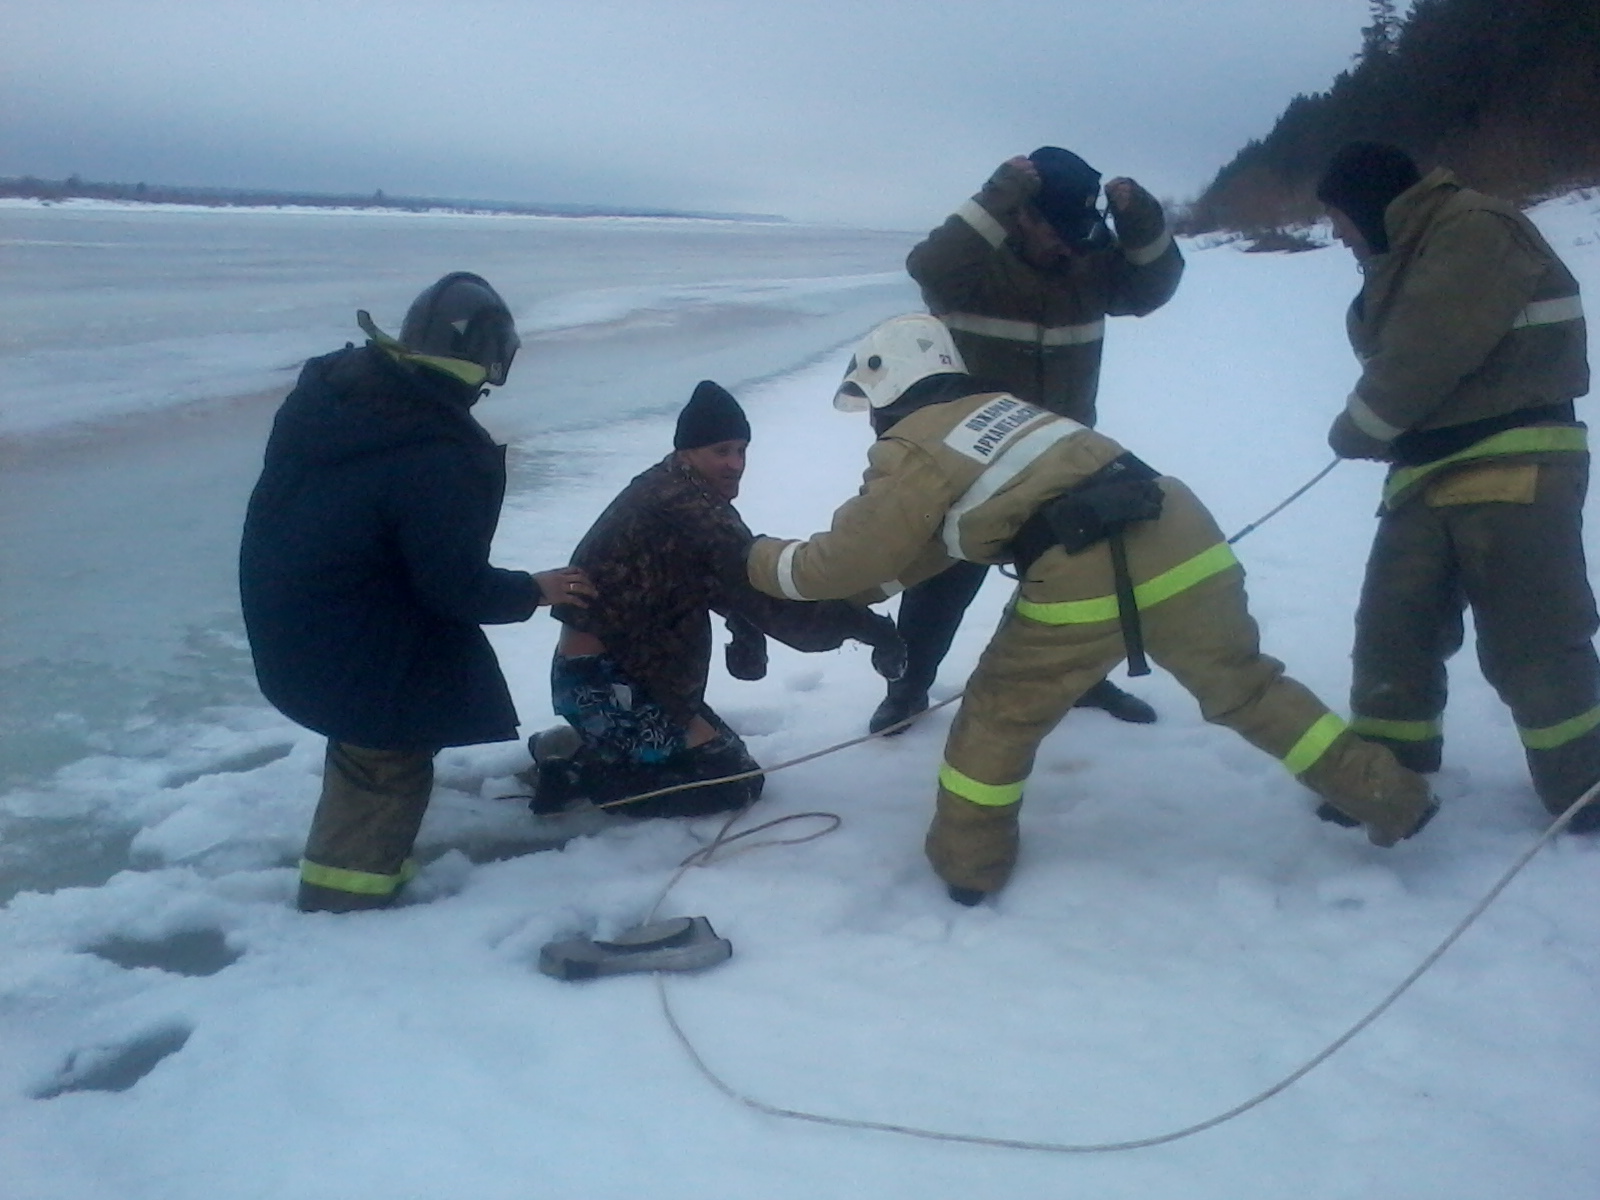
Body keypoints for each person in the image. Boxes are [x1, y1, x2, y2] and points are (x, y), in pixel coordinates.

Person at [746, 314, 1437, 904]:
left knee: (998, 718)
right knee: (1250, 688)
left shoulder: (914, 444)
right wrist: (860, 596)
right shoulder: (1005, 410)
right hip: (1182, 532)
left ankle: (969, 868)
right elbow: (924, 550)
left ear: (888, 386)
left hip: (1082, 570)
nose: (871, 419)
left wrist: (757, 564)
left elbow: (848, 556)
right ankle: (1392, 799)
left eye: (870, 401)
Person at [239, 272, 594, 913]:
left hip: (299, 617)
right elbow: (453, 586)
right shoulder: (435, 454)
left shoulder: (344, 399)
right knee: (386, 759)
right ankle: (343, 907)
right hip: (356, 638)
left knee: (363, 740)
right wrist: (534, 589)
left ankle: (354, 882)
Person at [1316, 142, 1598, 833]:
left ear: (1368, 203)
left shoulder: (1473, 228)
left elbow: (1425, 349)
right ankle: (1390, 774)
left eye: (1339, 217)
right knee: (1393, 630)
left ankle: (1586, 787)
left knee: (1532, 640)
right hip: (1427, 470)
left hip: (1517, 457)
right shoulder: (1405, 249)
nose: (1336, 233)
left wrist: (1360, 427)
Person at [871, 146, 1186, 735]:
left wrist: (1140, 218)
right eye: (1053, 230)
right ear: (1022, 216)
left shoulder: (1091, 267)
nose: (1066, 245)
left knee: (1074, 581)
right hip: (971, 464)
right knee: (939, 584)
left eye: (1078, 232)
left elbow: (1152, 288)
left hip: (1061, 461)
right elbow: (929, 268)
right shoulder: (973, 271)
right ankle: (907, 687)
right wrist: (997, 191)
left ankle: (1084, 679)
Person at [528, 379, 906, 819]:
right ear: (688, 450)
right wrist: (871, 628)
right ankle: (580, 776)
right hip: (606, 686)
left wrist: (743, 627)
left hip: (627, 675)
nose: (735, 464)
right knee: (734, 782)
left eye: (742, 450)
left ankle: (583, 744)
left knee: (713, 755)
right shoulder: (689, 510)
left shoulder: (672, 487)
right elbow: (772, 597)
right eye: (721, 450)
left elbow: (713, 579)